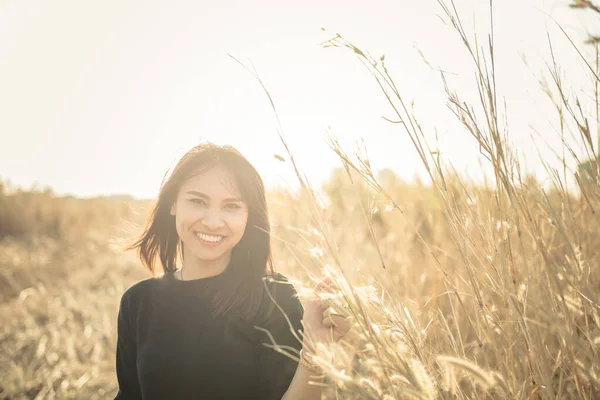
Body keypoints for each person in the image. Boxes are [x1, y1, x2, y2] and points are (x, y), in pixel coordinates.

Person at [114, 143, 351, 399]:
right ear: (173, 203)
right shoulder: (137, 302)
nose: (213, 222)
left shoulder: (273, 298)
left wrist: (314, 352)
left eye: (231, 206)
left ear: (249, 215)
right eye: (197, 201)